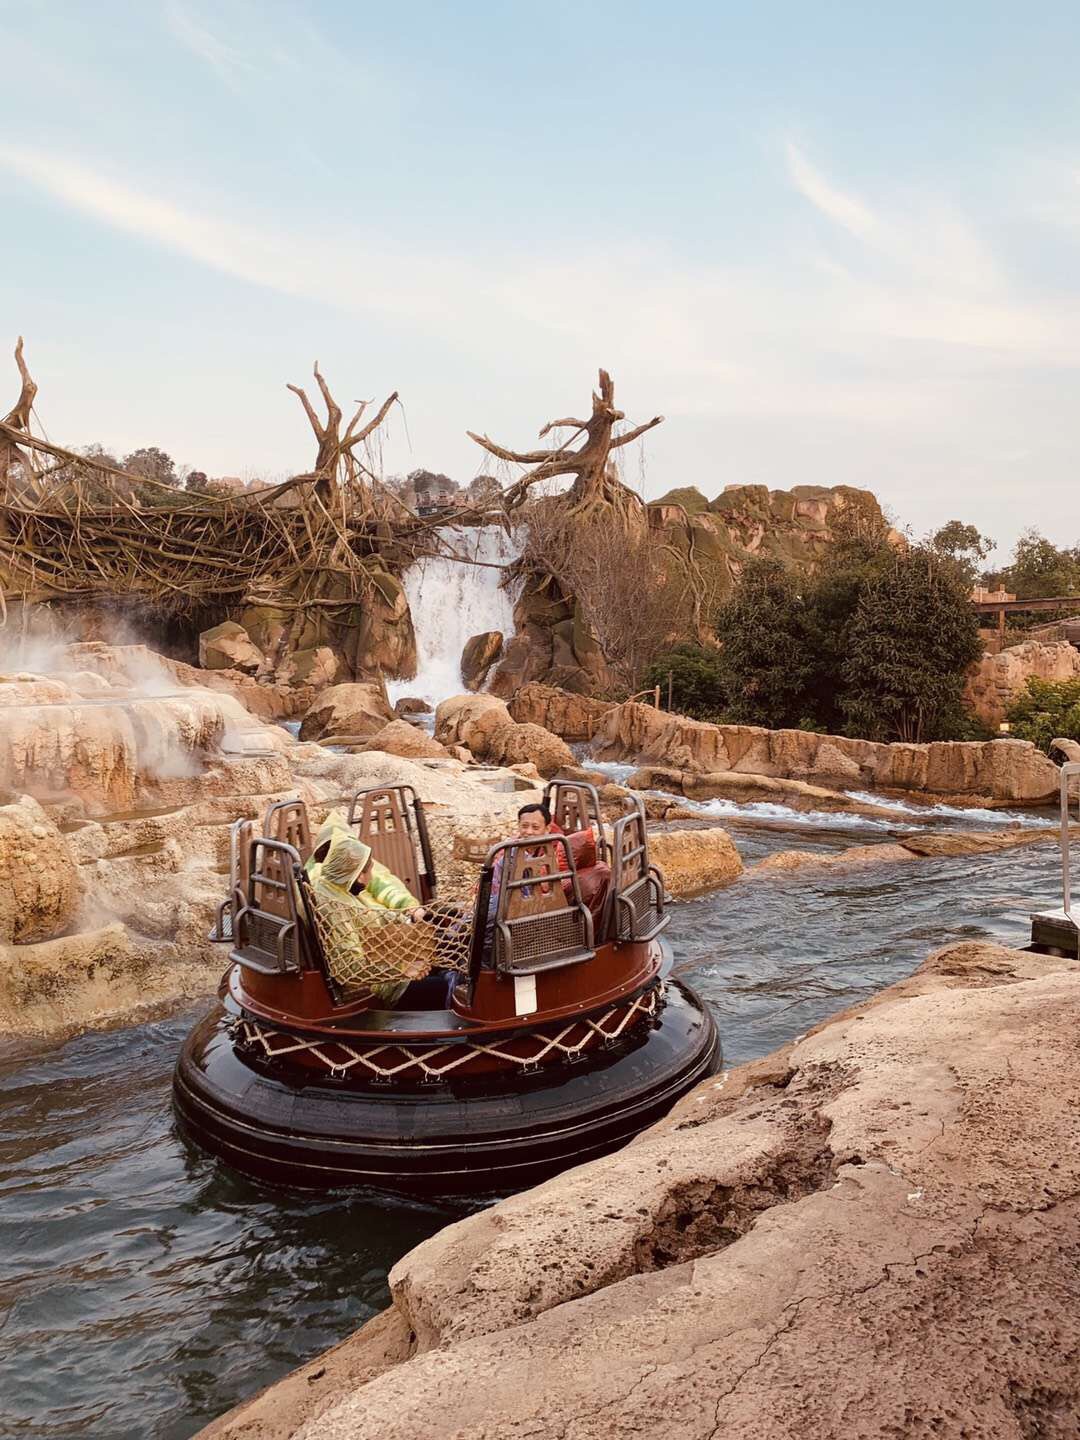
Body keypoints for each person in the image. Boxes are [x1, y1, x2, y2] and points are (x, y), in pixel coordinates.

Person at [308, 830, 431, 1004]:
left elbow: (368, 916)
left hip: (382, 963)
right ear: (357, 874)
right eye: (369, 872)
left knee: (439, 969)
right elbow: (348, 970)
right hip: (376, 986)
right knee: (448, 984)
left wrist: (406, 918)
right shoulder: (334, 909)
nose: (371, 878)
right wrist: (402, 969)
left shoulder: (335, 887)